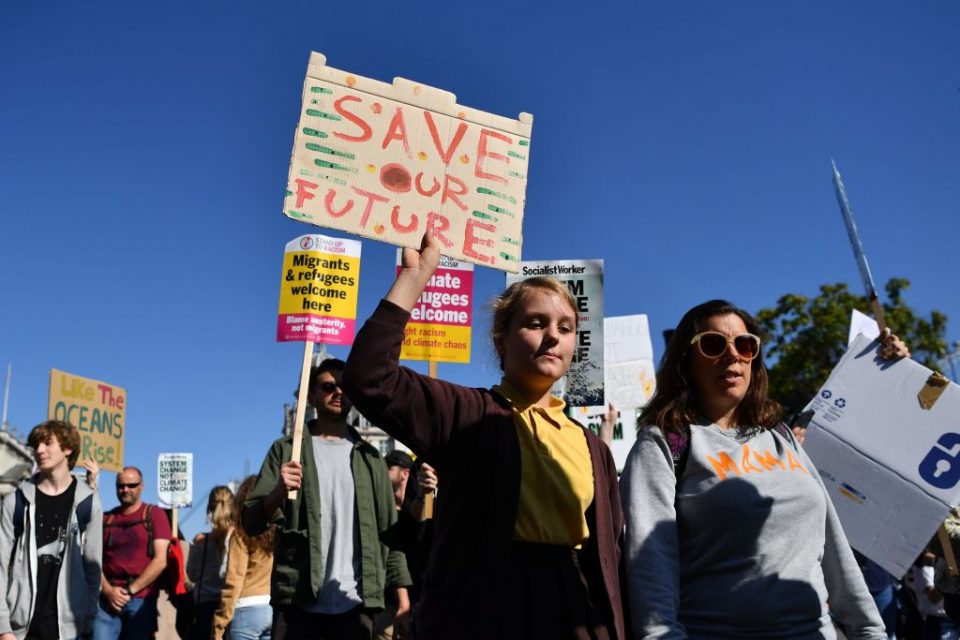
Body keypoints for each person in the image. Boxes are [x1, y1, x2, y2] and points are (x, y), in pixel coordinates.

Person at [342, 232, 627, 639]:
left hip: (573, 613)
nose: (552, 336)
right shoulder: (465, 414)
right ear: (501, 338)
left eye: (565, 328)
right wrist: (413, 279)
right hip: (484, 612)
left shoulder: (594, 448)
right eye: (535, 323)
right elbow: (369, 377)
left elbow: (611, 555)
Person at [620, 299, 907, 639]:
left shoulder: (782, 437)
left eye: (745, 345)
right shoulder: (664, 443)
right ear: (686, 360)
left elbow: (832, 543)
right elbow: (650, 562)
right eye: (714, 344)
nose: (733, 356)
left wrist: (869, 629)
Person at [243, 358, 412, 640]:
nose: (338, 393)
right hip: (298, 601)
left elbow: (390, 538)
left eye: (345, 387)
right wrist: (277, 493)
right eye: (328, 387)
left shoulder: (371, 459)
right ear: (311, 396)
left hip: (356, 605)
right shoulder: (287, 451)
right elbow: (251, 522)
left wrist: (404, 602)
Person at [0, 420, 102, 640]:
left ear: (67, 449)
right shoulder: (16, 500)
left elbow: (93, 570)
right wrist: (3, 627)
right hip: (20, 629)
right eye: (36, 444)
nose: (39, 450)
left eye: (47, 443)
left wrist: (88, 619)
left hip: (69, 629)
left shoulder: (88, 503)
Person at [94, 466, 172, 640]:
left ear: (142, 486)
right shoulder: (107, 518)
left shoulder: (154, 514)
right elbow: (92, 558)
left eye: (131, 485)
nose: (125, 490)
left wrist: (130, 591)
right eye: (120, 486)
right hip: (107, 600)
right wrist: (108, 590)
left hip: (141, 599)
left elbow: (161, 560)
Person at [212, 476, 274, 640]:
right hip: (271, 607)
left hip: (246, 608)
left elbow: (234, 579)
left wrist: (220, 623)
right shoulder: (276, 534)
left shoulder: (241, 534)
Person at [187, 486, 235, 640]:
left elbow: (192, 574)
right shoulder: (239, 539)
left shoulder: (201, 541)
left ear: (209, 509)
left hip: (204, 609)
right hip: (230, 607)